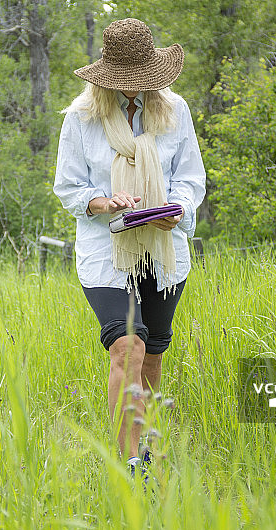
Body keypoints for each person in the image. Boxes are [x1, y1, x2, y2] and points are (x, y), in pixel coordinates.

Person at [52, 18, 206, 475]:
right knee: (127, 349)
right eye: (128, 82)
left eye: (145, 81)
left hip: (163, 248)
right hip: (106, 251)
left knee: (153, 354)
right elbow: (69, 188)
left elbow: (191, 178)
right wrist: (105, 202)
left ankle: (150, 447)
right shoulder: (81, 118)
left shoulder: (175, 110)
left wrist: (175, 207)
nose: (137, 90)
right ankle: (130, 465)